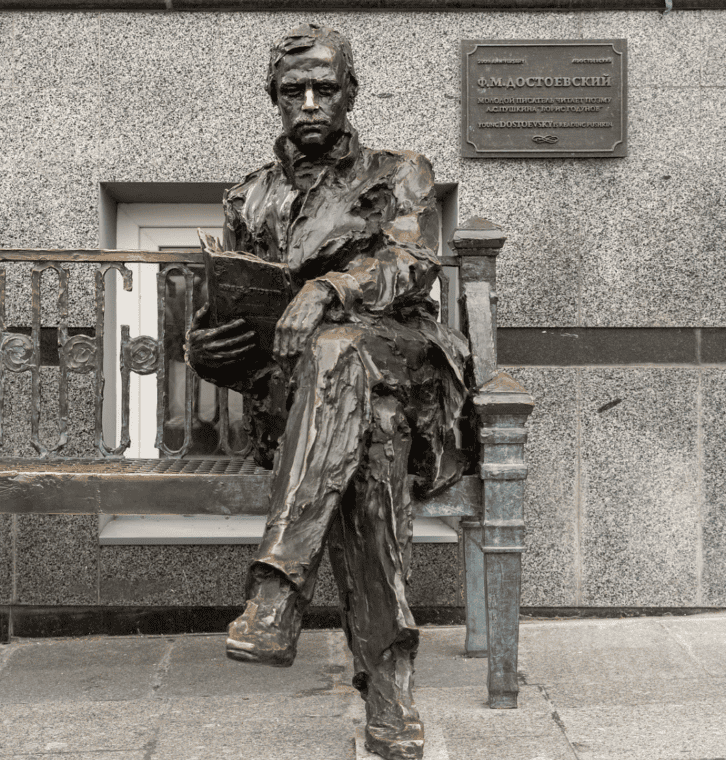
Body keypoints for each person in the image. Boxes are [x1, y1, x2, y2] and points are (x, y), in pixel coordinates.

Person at [185, 24, 469, 760]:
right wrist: (204, 349)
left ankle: (277, 589)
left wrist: (334, 288)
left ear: (350, 94)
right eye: (293, 91)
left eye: (324, 89)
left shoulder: (397, 172)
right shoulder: (250, 196)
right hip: (323, 409)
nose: (310, 103)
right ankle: (390, 696)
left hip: (404, 371)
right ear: (274, 100)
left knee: (344, 351)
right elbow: (235, 316)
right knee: (364, 446)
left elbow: (412, 267)